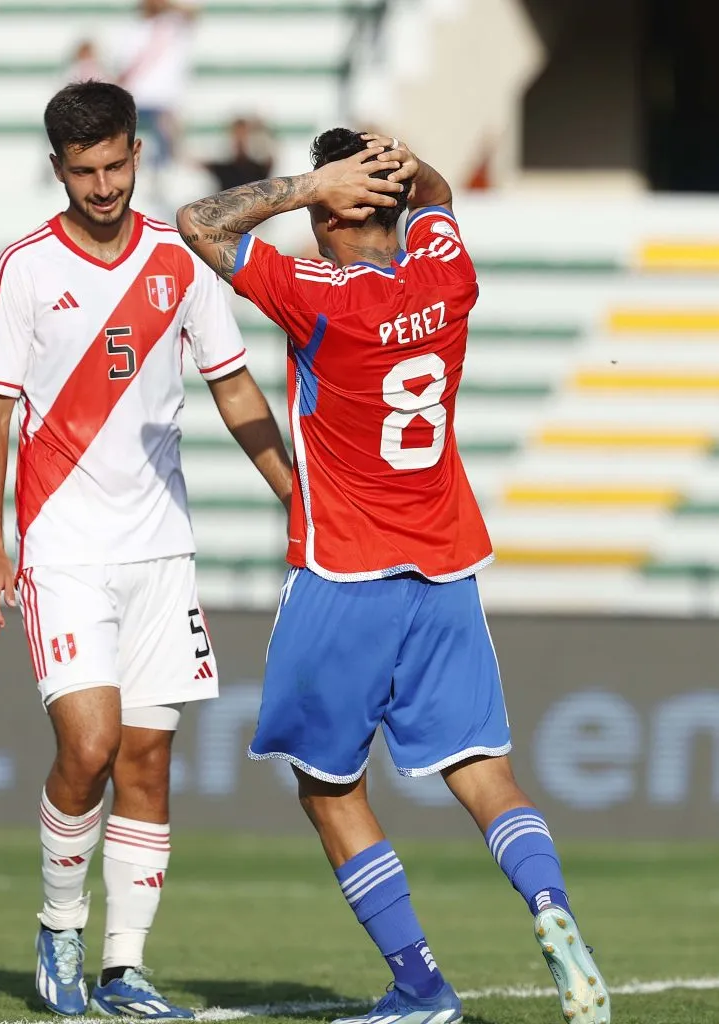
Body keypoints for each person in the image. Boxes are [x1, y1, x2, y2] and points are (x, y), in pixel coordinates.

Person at [177, 129, 610, 1024]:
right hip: (446, 567)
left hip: (345, 569)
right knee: (486, 773)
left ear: (338, 208)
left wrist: (306, 183)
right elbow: (441, 196)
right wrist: (406, 166)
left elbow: (199, 222)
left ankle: (420, 984)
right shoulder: (445, 275)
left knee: (327, 786)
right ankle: (553, 911)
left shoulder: (317, 295)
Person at [0, 81, 291, 1019]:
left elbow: (233, 391)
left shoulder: (179, 261)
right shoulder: (23, 269)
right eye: (83, 171)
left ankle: (123, 970)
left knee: (147, 761)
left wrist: (294, 499)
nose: (102, 185)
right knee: (93, 743)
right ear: (59, 168)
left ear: (134, 154)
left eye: (114, 165)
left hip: (161, 551)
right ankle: (59, 926)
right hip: (62, 549)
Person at [113, 0, 201, 167]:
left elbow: (193, 15)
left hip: (165, 101)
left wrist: (167, 6)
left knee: (167, 144)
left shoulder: (173, 24)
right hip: (135, 98)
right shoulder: (134, 29)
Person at [205, 116, 275, 192]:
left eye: (244, 135)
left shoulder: (260, 169)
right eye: (236, 135)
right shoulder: (221, 168)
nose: (240, 140)